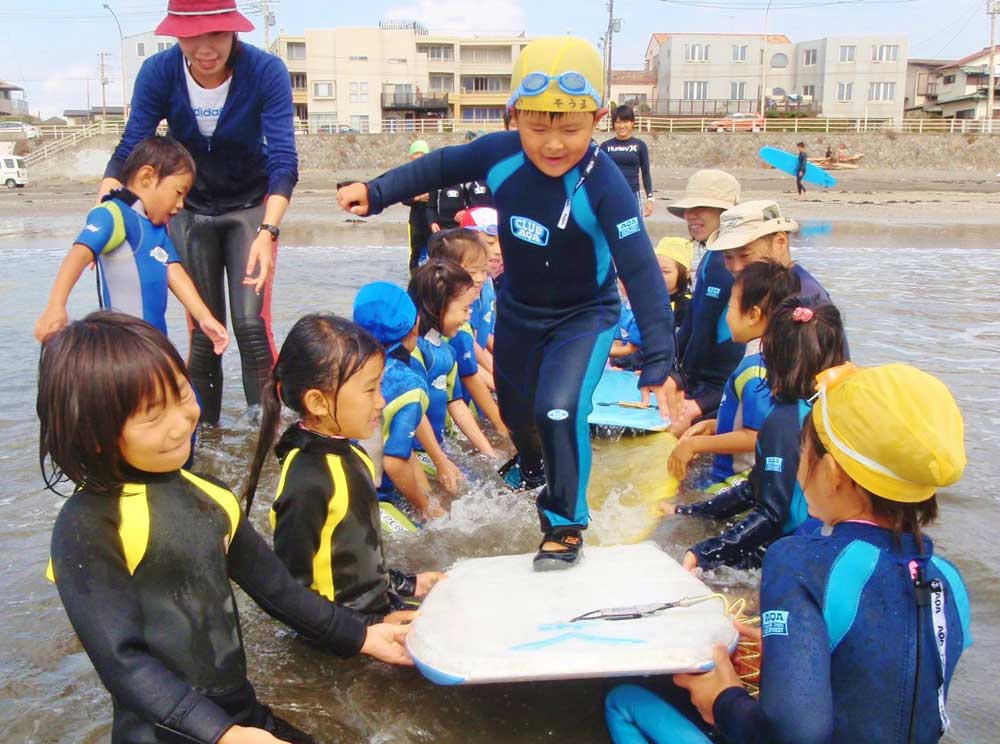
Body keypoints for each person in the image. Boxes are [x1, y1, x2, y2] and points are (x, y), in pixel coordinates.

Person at [337, 36, 677, 570]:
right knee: (517, 413)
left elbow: (639, 267)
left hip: (585, 316)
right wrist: (377, 192)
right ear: (514, 115)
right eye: (537, 128)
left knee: (558, 409)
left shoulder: (605, 184)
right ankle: (538, 466)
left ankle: (564, 524)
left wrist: (660, 355)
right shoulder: (501, 154)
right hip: (520, 310)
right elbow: (439, 166)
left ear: (598, 119)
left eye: (571, 129)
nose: (553, 144)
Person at [41, 312, 412, 744]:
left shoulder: (210, 496)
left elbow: (281, 592)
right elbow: (123, 664)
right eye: (153, 416)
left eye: (182, 394)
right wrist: (223, 735)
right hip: (163, 733)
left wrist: (362, 635)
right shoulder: (88, 526)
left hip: (238, 714)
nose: (183, 421)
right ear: (96, 435)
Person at [606, 362, 970, 744]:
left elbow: (793, 733)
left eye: (803, 451)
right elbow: (890, 683)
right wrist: (790, 651)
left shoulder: (797, 562)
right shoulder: (949, 579)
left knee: (624, 700)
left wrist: (724, 699)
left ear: (832, 473)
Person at [103, 0, 299, 425]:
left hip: (251, 209)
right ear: (176, 33)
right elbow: (131, 148)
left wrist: (268, 230)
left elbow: (284, 160)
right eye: (192, 36)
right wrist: (106, 209)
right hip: (189, 211)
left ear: (234, 30)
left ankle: (265, 437)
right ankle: (204, 438)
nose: (205, 48)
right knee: (204, 332)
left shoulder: (265, 71)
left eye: (217, 34)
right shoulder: (159, 72)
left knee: (250, 326)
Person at [242, 313, 444, 620]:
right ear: (318, 402)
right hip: (345, 632)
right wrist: (366, 632)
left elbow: (355, 559)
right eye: (370, 390)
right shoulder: (308, 483)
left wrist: (406, 584)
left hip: (369, 615)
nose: (381, 401)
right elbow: (292, 597)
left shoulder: (352, 453)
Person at [676, 299, 848, 571]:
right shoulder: (832, 407)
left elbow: (772, 512)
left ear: (771, 355)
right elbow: (757, 485)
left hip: (794, 551)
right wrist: (690, 511)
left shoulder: (784, 419)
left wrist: (705, 553)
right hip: (830, 541)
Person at [34, 136, 228, 354]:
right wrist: (56, 305)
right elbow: (78, 254)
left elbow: (173, 271)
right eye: (178, 193)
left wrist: (204, 317)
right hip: (124, 351)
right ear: (147, 177)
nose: (181, 205)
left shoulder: (157, 228)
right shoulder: (112, 214)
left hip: (156, 345)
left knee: (181, 378)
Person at [667, 260, 801, 489]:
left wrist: (696, 445)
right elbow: (757, 419)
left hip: (738, 483)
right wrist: (714, 426)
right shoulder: (778, 358)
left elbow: (758, 435)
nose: (727, 317)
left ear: (753, 315)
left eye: (729, 308)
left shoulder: (755, 370)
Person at [353, 282, 462, 516]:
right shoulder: (408, 384)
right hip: (369, 502)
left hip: (334, 484)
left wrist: (431, 495)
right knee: (426, 533)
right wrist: (427, 509)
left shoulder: (346, 364)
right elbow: (395, 461)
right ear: (415, 327)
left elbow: (401, 443)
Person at [665, 170, 745, 436]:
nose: (691, 215)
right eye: (689, 209)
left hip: (718, 388)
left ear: (727, 214)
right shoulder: (713, 255)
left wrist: (681, 379)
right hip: (704, 382)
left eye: (702, 208)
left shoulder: (725, 262)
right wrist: (668, 369)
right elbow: (692, 324)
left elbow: (704, 330)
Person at [408, 259, 497, 459]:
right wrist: (440, 461)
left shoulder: (446, 351)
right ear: (438, 307)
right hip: (416, 453)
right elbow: (413, 414)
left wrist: (490, 454)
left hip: (438, 448)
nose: (468, 316)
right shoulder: (415, 354)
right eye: (465, 309)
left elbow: (456, 403)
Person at [425, 229, 507, 436]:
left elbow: (475, 349)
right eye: (471, 272)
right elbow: (470, 374)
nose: (479, 278)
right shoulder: (454, 323)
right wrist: (501, 424)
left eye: (483, 270)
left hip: (461, 400)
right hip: (456, 403)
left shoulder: (469, 304)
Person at [459, 207, 501, 361]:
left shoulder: (486, 280)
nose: (498, 250)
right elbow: (471, 344)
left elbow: (486, 333)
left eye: (501, 241)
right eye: (490, 243)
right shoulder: (467, 288)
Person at [600, 104, 654, 217]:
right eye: (618, 122)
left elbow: (646, 173)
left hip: (632, 195)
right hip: (611, 196)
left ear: (632, 122)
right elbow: (599, 175)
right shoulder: (605, 146)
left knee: (635, 227)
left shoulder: (640, 145)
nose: (622, 126)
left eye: (625, 122)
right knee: (611, 227)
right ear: (613, 124)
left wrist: (650, 198)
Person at [402, 140, 432, 275]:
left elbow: (440, 194)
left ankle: (432, 280)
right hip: (415, 219)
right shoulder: (408, 175)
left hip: (432, 218)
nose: (419, 156)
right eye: (416, 153)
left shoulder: (433, 174)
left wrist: (430, 196)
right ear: (411, 156)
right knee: (415, 253)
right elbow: (403, 198)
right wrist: (418, 198)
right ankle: (413, 280)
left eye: (422, 154)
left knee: (433, 252)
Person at [653, 237, 693, 331]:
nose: (658, 276)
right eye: (655, 269)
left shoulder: (686, 306)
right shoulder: (650, 299)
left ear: (686, 274)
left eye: (665, 272)